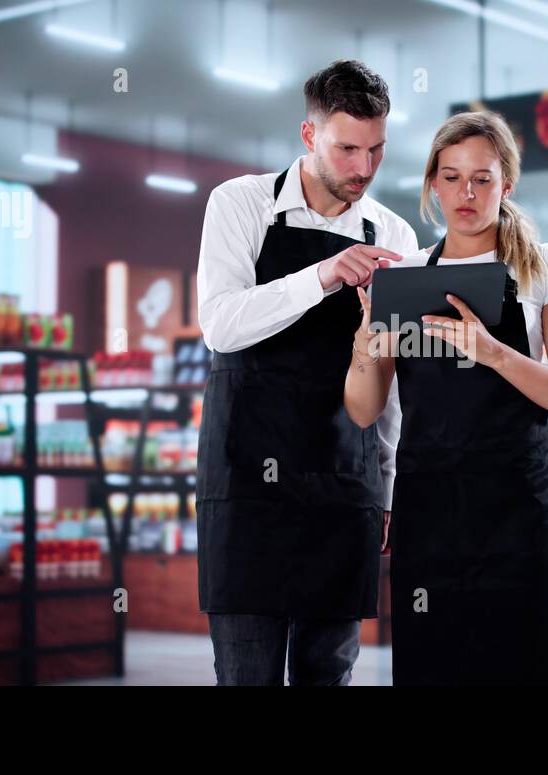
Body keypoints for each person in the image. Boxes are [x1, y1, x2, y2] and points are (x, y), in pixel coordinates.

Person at [344, 111, 548, 685]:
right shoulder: (402, 276)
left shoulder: (545, 269)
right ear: (432, 182)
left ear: (507, 184)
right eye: (452, 177)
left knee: (526, 665)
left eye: (483, 178)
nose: (467, 193)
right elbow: (363, 408)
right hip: (428, 512)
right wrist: (365, 346)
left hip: (518, 513)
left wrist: (495, 353)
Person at [194, 60, 418, 685]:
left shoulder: (392, 233)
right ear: (309, 136)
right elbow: (221, 325)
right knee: (247, 673)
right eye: (347, 148)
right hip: (246, 485)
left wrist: (390, 489)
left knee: (330, 674)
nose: (363, 169)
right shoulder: (239, 204)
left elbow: (391, 381)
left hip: (346, 487)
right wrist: (322, 276)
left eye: (376, 150)